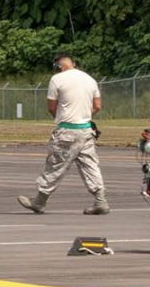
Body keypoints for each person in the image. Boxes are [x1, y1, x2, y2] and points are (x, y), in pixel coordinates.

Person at [16, 53, 109, 215]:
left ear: (58, 67)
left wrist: (62, 118)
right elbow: (97, 106)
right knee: (90, 164)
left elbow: (51, 107)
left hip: (67, 129)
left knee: (56, 164)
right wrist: (83, 117)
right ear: (73, 63)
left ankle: (39, 202)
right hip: (86, 129)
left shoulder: (57, 80)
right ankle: (100, 201)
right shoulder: (90, 79)